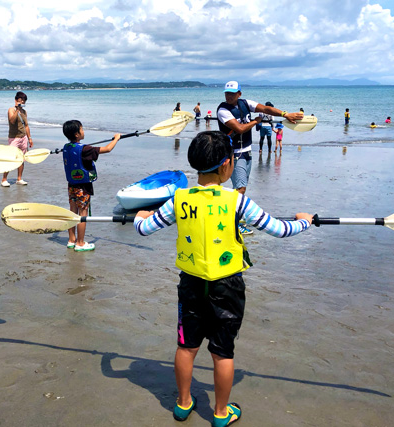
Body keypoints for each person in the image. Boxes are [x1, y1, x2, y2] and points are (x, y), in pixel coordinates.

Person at [134, 131, 313, 426]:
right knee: (222, 352)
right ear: (227, 165)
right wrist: (304, 221)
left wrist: (141, 217)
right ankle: (220, 413)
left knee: (186, 346)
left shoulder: (178, 199)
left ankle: (182, 404)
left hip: (190, 284)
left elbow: (144, 229)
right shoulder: (237, 201)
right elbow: (280, 229)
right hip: (227, 287)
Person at [217, 81, 303, 235]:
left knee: (241, 188)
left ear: (239, 94)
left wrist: (285, 114)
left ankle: (230, 219)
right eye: (227, 93)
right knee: (240, 189)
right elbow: (240, 128)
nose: (229, 96)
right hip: (234, 153)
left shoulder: (245, 103)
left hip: (247, 151)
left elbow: (265, 108)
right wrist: (256, 121)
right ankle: (233, 224)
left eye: (232, 93)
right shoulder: (223, 110)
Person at [62, 120, 121, 252]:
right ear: (77, 134)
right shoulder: (85, 149)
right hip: (83, 187)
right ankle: (80, 243)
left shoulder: (66, 147)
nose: (83, 131)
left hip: (71, 185)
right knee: (82, 214)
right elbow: (108, 149)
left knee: (72, 212)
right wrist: (116, 138)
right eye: (82, 129)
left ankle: (71, 240)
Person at [2, 91, 33, 187]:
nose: (22, 102)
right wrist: (17, 109)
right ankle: (4, 179)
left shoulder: (24, 112)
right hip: (14, 138)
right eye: (21, 100)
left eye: (24, 101)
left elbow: (26, 126)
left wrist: (29, 138)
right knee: (10, 158)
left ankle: (19, 178)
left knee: (21, 159)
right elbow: (12, 121)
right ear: (16, 100)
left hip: (23, 137)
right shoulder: (11, 110)